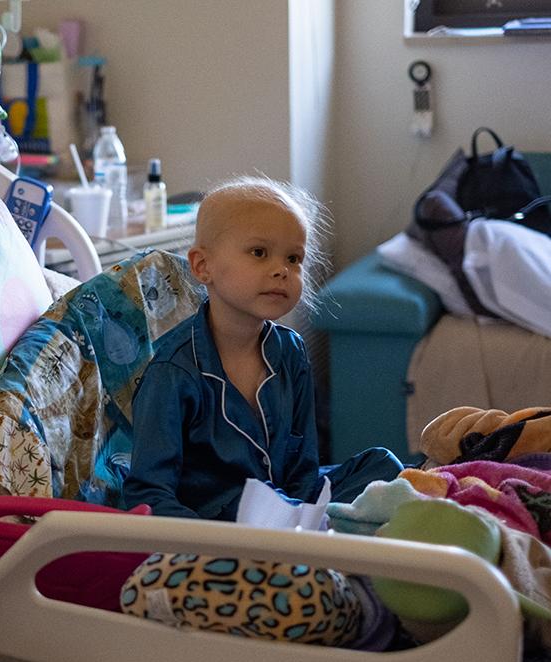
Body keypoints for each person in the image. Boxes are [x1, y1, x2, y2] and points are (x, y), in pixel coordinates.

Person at [122, 176, 403, 521]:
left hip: (285, 506)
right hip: (217, 523)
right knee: (241, 507)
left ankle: (317, 532)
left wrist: (300, 516)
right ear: (202, 266)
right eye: (259, 253)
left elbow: (304, 465)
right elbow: (148, 493)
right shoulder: (173, 372)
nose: (281, 270)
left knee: (384, 465)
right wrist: (208, 542)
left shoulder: (291, 351)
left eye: (294, 258)